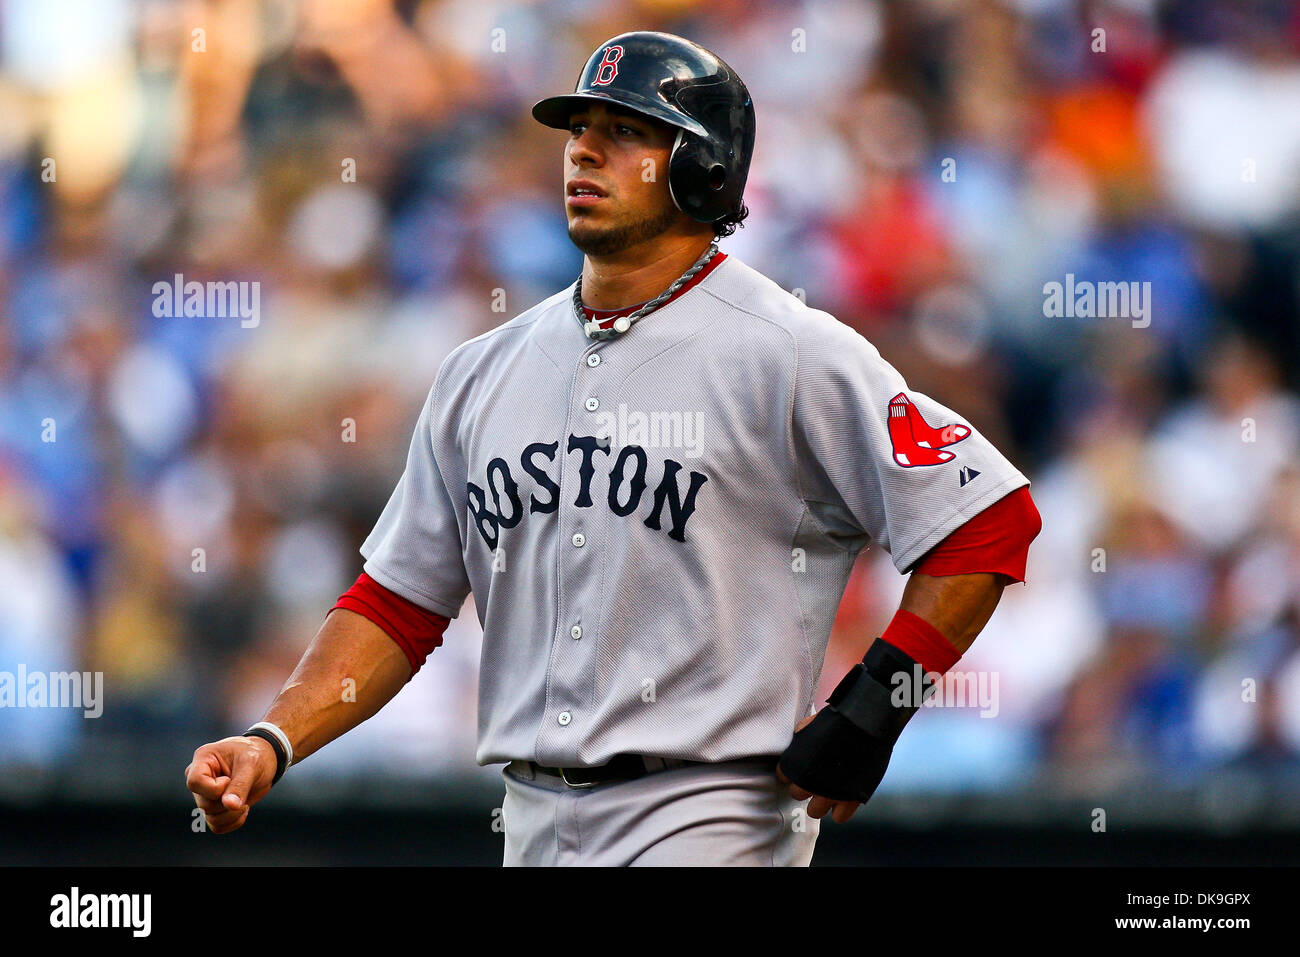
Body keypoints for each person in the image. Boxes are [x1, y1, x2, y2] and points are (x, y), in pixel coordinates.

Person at [185, 31, 1041, 867]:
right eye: (578, 130)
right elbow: (397, 602)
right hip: (529, 819)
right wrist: (275, 736)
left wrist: (875, 705)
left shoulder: (788, 349)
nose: (583, 151)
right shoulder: (481, 371)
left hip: (713, 816)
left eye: (623, 131)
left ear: (704, 165)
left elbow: (988, 517)